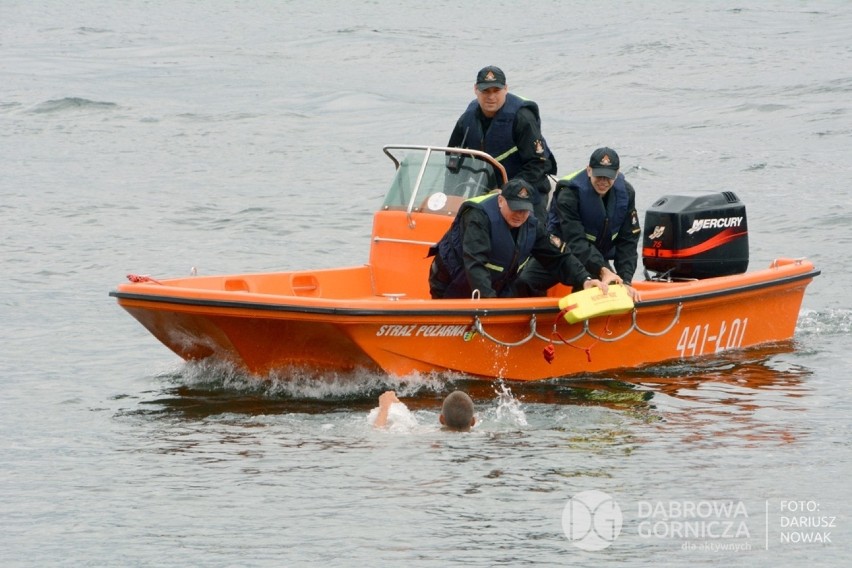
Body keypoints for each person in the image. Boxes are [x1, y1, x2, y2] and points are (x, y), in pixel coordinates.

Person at [428, 178, 607, 299]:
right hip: (451, 283)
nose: (520, 215)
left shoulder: (531, 225)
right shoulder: (477, 218)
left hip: (497, 284)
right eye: (515, 208)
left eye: (524, 209)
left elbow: (558, 257)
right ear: (500, 201)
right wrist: (490, 305)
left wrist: (585, 279)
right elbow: (475, 263)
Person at [517, 147, 641, 300]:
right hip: (561, 253)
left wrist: (626, 279)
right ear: (589, 170)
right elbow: (575, 240)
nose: (603, 181)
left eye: (608, 177)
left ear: (617, 173)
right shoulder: (569, 194)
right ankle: (535, 317)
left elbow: (628, 240)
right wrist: (602, 269)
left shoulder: (626, 193)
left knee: (600, 292)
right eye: (598, 175)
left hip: (597, 257)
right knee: (524, 282)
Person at [448, 66, 557, 221]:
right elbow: (452, 160)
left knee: (534, 234)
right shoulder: (467, 119)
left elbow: (538, 165)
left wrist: (507, 191)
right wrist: (449, 197)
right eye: (485, 91)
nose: (491, 96)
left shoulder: (523, 118)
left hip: (527, 189)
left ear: (506, 89)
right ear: (476, 90)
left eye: (496, 90)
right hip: (486, 190)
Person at [372, 390, 476, 432]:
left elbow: (378, 431)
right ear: (473, 421)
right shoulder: (485, 435)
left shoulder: (429, 435)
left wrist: (384, 407)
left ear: (441, 419)